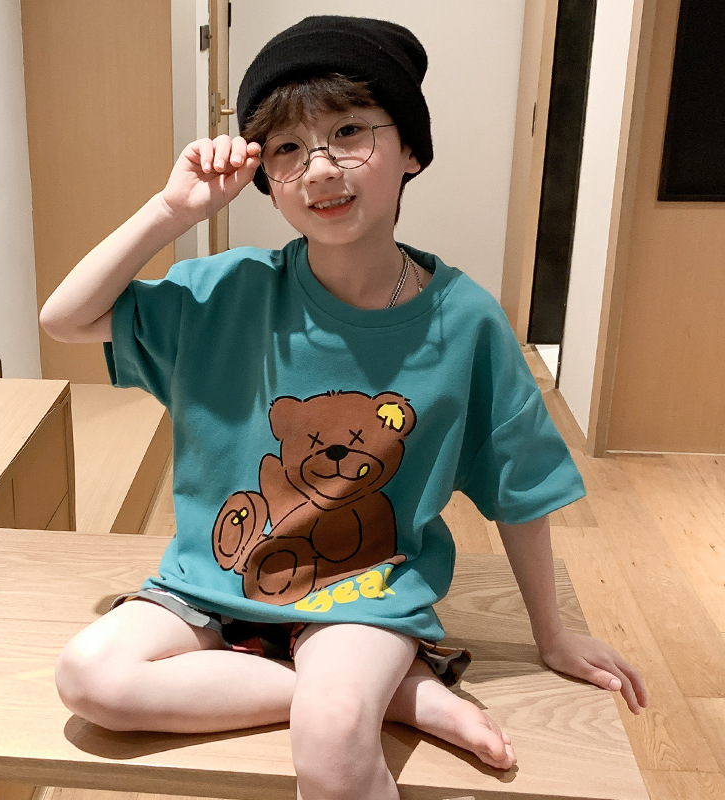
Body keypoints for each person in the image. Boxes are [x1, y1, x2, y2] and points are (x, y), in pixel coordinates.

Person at [40, 15, 648, 799]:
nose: (320, 168)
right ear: (265, 177)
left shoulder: (464, 321)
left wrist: (552, 634)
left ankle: (353, 694)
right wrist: (173, 211)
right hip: (210, 581)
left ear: (411, 151)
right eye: (288, 149)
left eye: (350, 132)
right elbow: (66, 318)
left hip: (364, 591)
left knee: (330, 741)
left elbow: (517, 485)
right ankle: (395, 696)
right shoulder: (226, 293)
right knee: (88, 676)